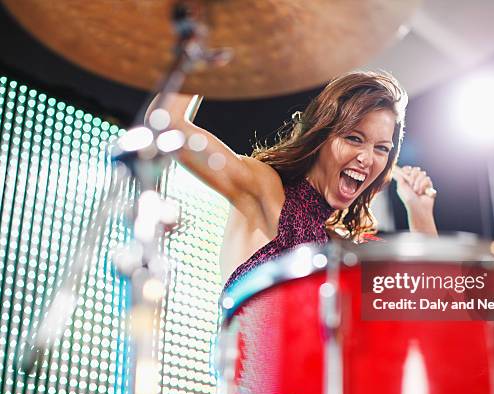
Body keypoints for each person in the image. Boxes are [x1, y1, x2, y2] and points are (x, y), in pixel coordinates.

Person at [148, 71, 437, 290]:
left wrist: (420, 212)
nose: (367, 158)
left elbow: (435, 305)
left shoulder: (346, 248)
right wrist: (205, 47)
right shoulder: (264, 187)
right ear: (322, 135)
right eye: (354, 138)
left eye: (381, 149)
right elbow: (168, 125)